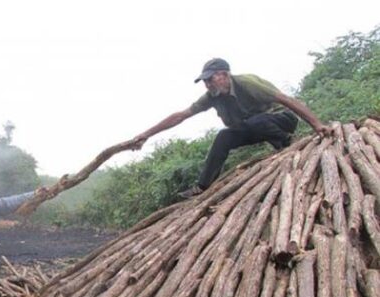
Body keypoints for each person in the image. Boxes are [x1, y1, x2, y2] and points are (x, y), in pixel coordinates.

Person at [131, 58, 332, 198]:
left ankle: (287, 142)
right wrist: (146, 134)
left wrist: (317, 124)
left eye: (210, 79)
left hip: (281, 119)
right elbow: (181, 115)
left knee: (256, 121)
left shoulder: (247, 83)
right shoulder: (212, 97)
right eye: (205, 81)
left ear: (224, 75)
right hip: (252, 127)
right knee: (224, 137)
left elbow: (286, 100)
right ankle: (202, 186)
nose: (207, 84)